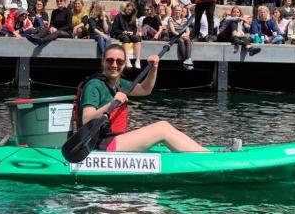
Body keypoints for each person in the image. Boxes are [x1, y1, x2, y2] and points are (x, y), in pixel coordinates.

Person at [79, 45, 241, 152]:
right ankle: (213, 158)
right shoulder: (94, 85)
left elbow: (145, 89)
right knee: (161, 128)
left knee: (164, 127)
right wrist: (111, 104)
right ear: (103, 61)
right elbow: (86, 119)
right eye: (110, 60)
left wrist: (154, 68)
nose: (114, 64)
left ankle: (207, 152)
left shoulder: (119, 84)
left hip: (114, 140)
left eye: (119, 61)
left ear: (124, 64)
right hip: (100, 144)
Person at [111, 1, 142, 69]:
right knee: (125, 38)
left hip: (129, 34)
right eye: (129, 9)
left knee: (138, 38)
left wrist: (132, 32)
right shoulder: (118, 16)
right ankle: (127, 59)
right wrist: (122, 32)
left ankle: (137, 60)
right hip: (120, 33)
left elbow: (134, 28)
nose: (129, 11)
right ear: (126, 8)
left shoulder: (132, 17)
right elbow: (114, 29)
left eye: (131, 10)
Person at [168, 5, 193, 70]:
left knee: (188, 40)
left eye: (179, 10)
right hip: (174, 35)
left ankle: (188, 59)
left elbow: (187, 31)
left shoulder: (185, 19)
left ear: (181, 11)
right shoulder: (170, 19)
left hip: (183, 34)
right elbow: (173, 31)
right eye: (176, 10)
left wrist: (186, 35)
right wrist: (180, 35)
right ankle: (186, 59)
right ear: (174, 11)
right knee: (181, 41)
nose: (177, 12)